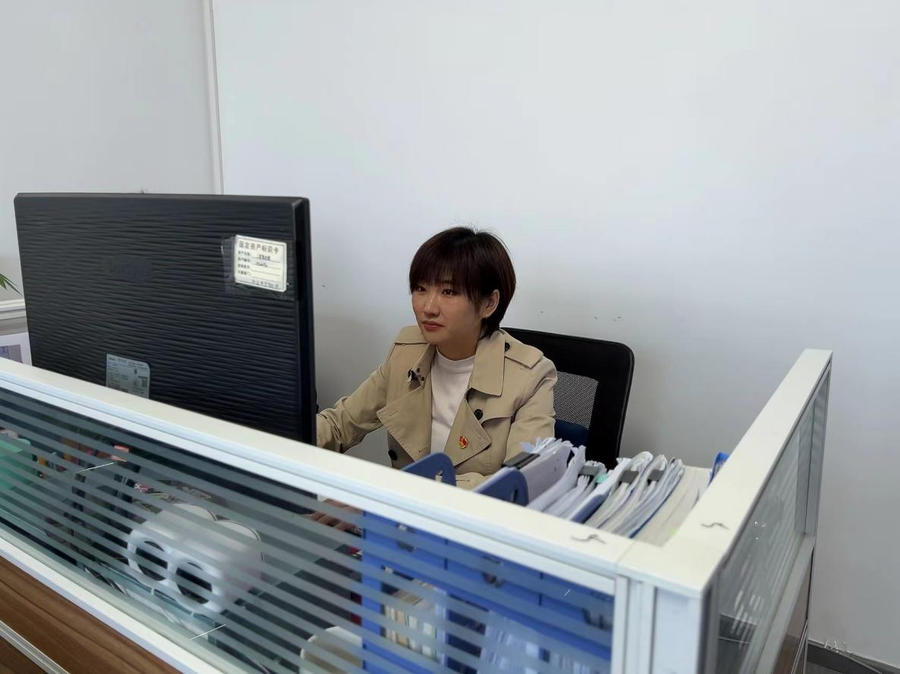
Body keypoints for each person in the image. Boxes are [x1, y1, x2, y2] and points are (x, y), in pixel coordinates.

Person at [316, 227, 557, 489]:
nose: (428, 308)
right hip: (401, 507)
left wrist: (397, 490)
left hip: (464, 514)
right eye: (421, 288)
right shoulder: (407, 352)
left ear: (489, 304)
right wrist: (285, 438)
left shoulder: (530, 376)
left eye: (449, 292)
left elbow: (522, 481)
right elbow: (339, 425)